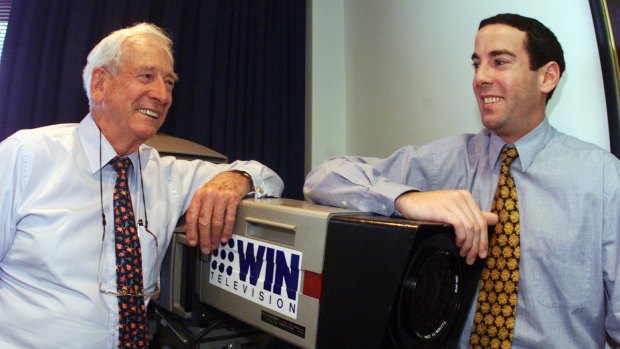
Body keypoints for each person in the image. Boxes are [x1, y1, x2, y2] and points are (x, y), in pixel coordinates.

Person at [304, 13, 620, 348]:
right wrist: (405, 198)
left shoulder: (602, 178)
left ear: (547, 77)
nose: (481, 78)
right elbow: (322, 178)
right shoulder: (446, 162)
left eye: (499, 62)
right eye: (476, 64)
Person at [0, 23, 283, 348]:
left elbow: (267, 176)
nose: (162, 96)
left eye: (169, 82)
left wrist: (236, 179)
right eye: (146, 77)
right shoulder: (26, 157)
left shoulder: (167, 175)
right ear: (100, 84)